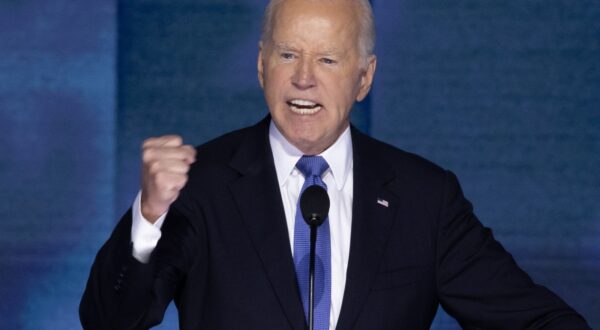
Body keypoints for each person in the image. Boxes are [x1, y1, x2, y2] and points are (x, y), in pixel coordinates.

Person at [80, 0, 590, 329]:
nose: (304, 79)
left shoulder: (423, 199)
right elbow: (107, 322)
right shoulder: (201, 184)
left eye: (327, 60)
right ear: (261, 65)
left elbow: (533, 321)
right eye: (287, 56)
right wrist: (148, 218)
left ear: (364, 78)